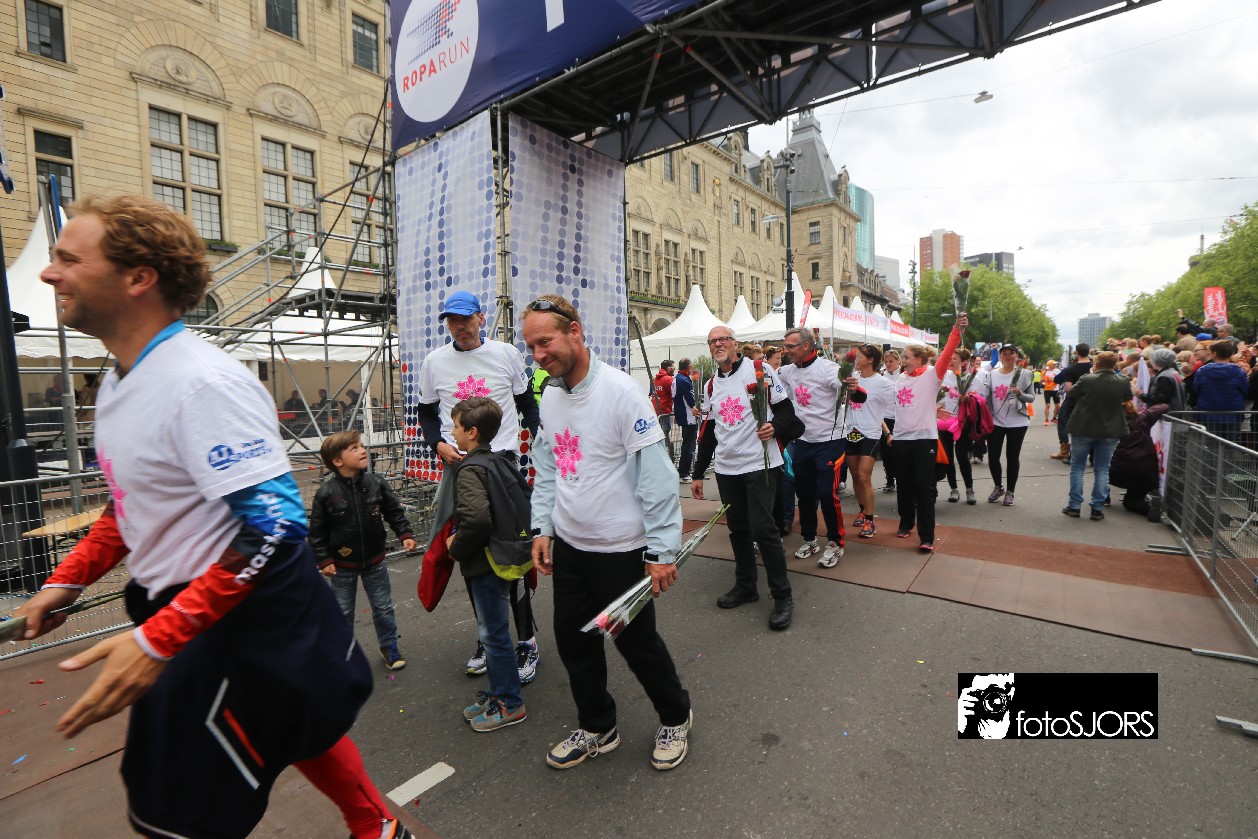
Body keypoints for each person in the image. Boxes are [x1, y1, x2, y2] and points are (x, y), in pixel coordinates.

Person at [24, 195, 409, 839]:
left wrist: (160, 638)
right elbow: (134, 505)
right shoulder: (119, 382)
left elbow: (275, 529)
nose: (48, 271)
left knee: (172, 813)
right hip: (191, 617)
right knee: (296, 729)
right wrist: (68, 579)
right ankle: (379, 828)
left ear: (138, 277)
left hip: (232, 621)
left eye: (69, 258)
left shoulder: (202, 383)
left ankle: (374, 826)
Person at [523, 294, 692, 771]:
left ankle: (676, 716)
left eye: (545, 342)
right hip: (572, 548)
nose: (537, 355)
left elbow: (656, 477)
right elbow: (548, 468)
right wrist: (543, 527)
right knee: (574, 643)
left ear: (575, 332)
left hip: (621, 551)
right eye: (531, 347)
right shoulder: (550, 396)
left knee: (638, 646)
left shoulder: (621, 392)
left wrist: (662, 551)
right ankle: (598, 726)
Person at [416, 290, 543, 683]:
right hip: (461, 467)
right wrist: (437, 444)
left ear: (480, 318)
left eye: (466, 318)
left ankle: (526, 640)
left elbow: (527, 404)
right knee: (471, 554)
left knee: (512, 554)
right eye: (452, 320)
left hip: (503, 466)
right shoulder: (434, 361)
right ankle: (490, 638)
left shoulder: (506, 354)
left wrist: (540, 441)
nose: (460, 326)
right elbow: (425, 414)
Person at [691, 325, 803, 628]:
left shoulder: (759, 370)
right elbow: (709, 431)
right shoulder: (711, 384)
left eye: (723, 339)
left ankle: (782, 595)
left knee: (764, 529)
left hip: (759, 463)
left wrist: (775, 427)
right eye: (712, 341)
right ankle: (746, 586)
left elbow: (786, 411)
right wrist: (698, 472)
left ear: (735, 343)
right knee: (738, 530)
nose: (718, 344)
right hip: (727, 468)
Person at [447, 397, 529, 732]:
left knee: (493, 634)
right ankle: (497, 693)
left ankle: (510, 703)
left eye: (456, 426)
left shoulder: (470, 469)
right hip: (504, 555)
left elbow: (477, 519)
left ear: (472, 432)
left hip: (485, 562)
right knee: (493, 632)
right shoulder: (498, 460)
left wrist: (456, 547)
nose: (452, 432)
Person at [311, 430, 417, 671]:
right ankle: (344, 653)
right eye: (354, 448)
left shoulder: (376, 483)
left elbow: (394, 512)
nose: (362, 451)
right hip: (341, 566)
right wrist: (324, 560)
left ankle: (389, 645)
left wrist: (405, 535)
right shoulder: (326, 493)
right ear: (337, 461)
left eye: (361, 446)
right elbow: (317, 532)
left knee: (383, 607)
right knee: (343, 612)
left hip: (375, 560)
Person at [778, 328, 864, 567]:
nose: (786, 351)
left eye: (790, 346)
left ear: (806, 346)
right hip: (803, 441)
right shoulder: (787, 371)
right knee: (804, 494)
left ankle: (836, 542)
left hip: (830, 441)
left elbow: (853, 391)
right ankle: (809, 539)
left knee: (826, 494)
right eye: (785, 346)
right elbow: (778, 392)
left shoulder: (827, 369)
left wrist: (853, 387)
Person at [890, 313, 968, 551]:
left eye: (906, 357)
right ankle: (906, 523)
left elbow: (947, 353)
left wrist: (956, 330)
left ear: (920, 359)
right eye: (903, 357)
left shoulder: (932, 375)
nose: (903, 360)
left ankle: (926, 537)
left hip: (924, 440)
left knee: (924, 488)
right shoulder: (899, 379)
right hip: (901, 439)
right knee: (903, 484)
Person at [1062, 352, 1130, 521]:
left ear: (1097, 363)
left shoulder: (1087, 379)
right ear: (1115, 364)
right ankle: (1097, 508)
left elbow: (1072, 393)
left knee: (1077, 467)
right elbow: (1128, 396)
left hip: (1083, 427)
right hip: (1110, 429)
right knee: (1102, 468)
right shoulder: (1123, 381)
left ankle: (1075, 505)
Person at [844, 343, 895, 537]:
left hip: (870, 433)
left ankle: (869, 520)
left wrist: (889, 432)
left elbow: (898, 404)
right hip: (851, 432)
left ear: (871, 360)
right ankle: (862, 509)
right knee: (855, 475)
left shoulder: (883, 383)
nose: (856, 359)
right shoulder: (851, 377)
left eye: (860, 356)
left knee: (864, 476)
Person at [983, 344, 1036, 506]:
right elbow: (985, 396)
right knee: (993, 456)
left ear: (1016, 356)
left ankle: (1010, 491)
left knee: (1012, 457)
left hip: (1018, 422)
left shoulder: (1024, 374)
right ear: (1000, 356)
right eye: (1004, 353)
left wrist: (1020, 394)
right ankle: (998, 487)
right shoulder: (992, 375)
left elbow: (1031, 397)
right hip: (996, 421)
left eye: (1011, 353)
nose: (1007, 355)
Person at [1191, 339, 1249, 440]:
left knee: (1211, 444)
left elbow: (1196, 390)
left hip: (1208, 413)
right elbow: (1245, 390)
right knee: (1231, 444)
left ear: (1214, 354)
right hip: (1232, 414)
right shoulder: (1239, 372)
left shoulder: (1202, 371)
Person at [1049, 344, 1093, 461]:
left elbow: (1065, 386)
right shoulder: (1094, 367)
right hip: (1092, 400)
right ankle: (1091, 452)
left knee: (1062, 420)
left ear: (1077, 353)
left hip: (1073, 400)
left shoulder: (1071, 369)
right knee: (1089, 425)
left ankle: (1064, 448)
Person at [880, 349, 902, 491]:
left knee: (899, 452)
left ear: (898, 361)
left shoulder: (904, 375)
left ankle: (901, 479)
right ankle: (889, 480)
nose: (888, 364)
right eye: (886, 361)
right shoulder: (882, 376)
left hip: (901, 418)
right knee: (886, 452)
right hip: (886, 418)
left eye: (891, 361)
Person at [673, 358, 698, 482]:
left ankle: (684, 472)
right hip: (688, 416)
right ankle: (684, 473)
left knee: (688, 445)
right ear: (688, 367)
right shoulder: (683, 379)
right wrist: (695, 407)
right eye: (691, 366)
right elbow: (690, 398)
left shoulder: (678, 378)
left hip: (685, 415)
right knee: (689, 446)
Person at [653, 359, 677, 462]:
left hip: (656, 411)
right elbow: (676, 394)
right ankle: (669, 457)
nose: (674, 369)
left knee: (660, 435)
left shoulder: (656, 379)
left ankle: (662, 457)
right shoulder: (668, 380)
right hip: (664, 411)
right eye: (673, 367)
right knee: (666, 435)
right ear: (668, 368)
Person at [1042, 359, 1060, 424]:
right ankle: (1046, 419)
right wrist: (1043, 381)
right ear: (1050, 365)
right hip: (1047, 390)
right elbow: (1042, 380)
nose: (1055, 365)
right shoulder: (1045, 372)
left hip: (1056, 390)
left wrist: (1052, 379)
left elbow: (1060, 378)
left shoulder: (1057, 371)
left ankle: (1054, 418)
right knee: (1048, 405)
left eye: (1055, 364)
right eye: (1054, 364)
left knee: (1057, 406)